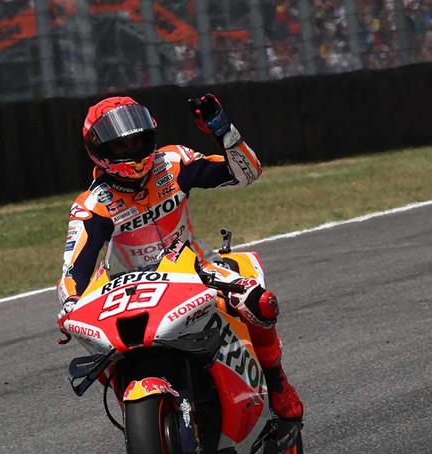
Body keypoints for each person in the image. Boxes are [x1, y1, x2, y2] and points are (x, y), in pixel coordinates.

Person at [56, 94, 303, 420]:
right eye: (120, 146)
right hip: (128, 288)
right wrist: (70, 306)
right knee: (102, 347)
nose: (132, 151)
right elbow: (74, 269)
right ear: (99, 150)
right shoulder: (92, 204)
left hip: (195, 267)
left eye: (138, 139)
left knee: (260, 303)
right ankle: (138, 414)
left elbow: (248, 173)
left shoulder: (173, 163)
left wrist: (223, 130)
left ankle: (276, 380)